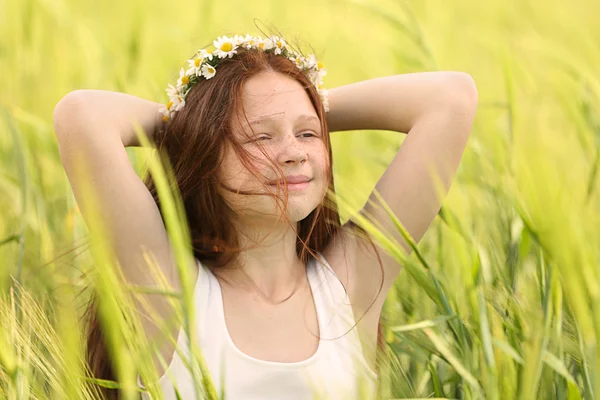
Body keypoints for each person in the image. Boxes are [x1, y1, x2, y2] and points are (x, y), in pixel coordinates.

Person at [52, 33, 478, 399]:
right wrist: (201, 124)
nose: (294, 153)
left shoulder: (349, 288)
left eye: (308, 134)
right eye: (259, 137)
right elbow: (83, 116)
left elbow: (451, 98)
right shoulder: (166, 290)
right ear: (206, 155)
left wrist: (299, 101)